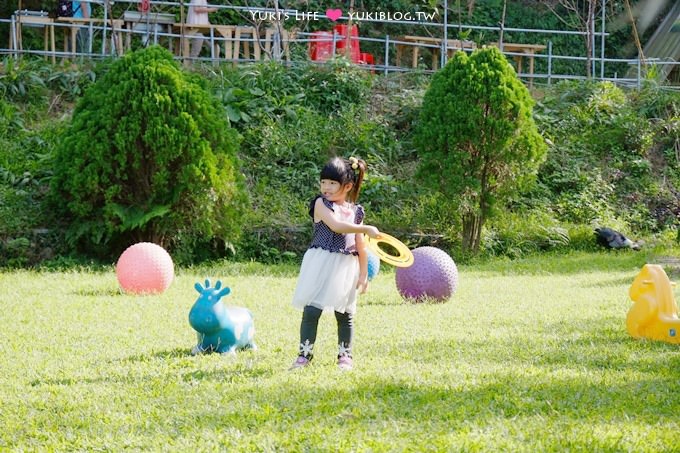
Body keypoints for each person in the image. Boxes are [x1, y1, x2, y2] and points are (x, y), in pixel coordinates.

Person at [290, 156, 381, 371]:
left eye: (332, 183)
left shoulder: (356, 211)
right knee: (312, 310)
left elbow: (360, 245)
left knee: (345, 313)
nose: (326, 187)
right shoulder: (321, 204)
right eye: (323, 182)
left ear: (347, 186)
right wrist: (366, 228)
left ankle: (345, 356)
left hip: (346, 265)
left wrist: (363, 274)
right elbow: (337, 226)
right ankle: (304, 355)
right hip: (321, 262)